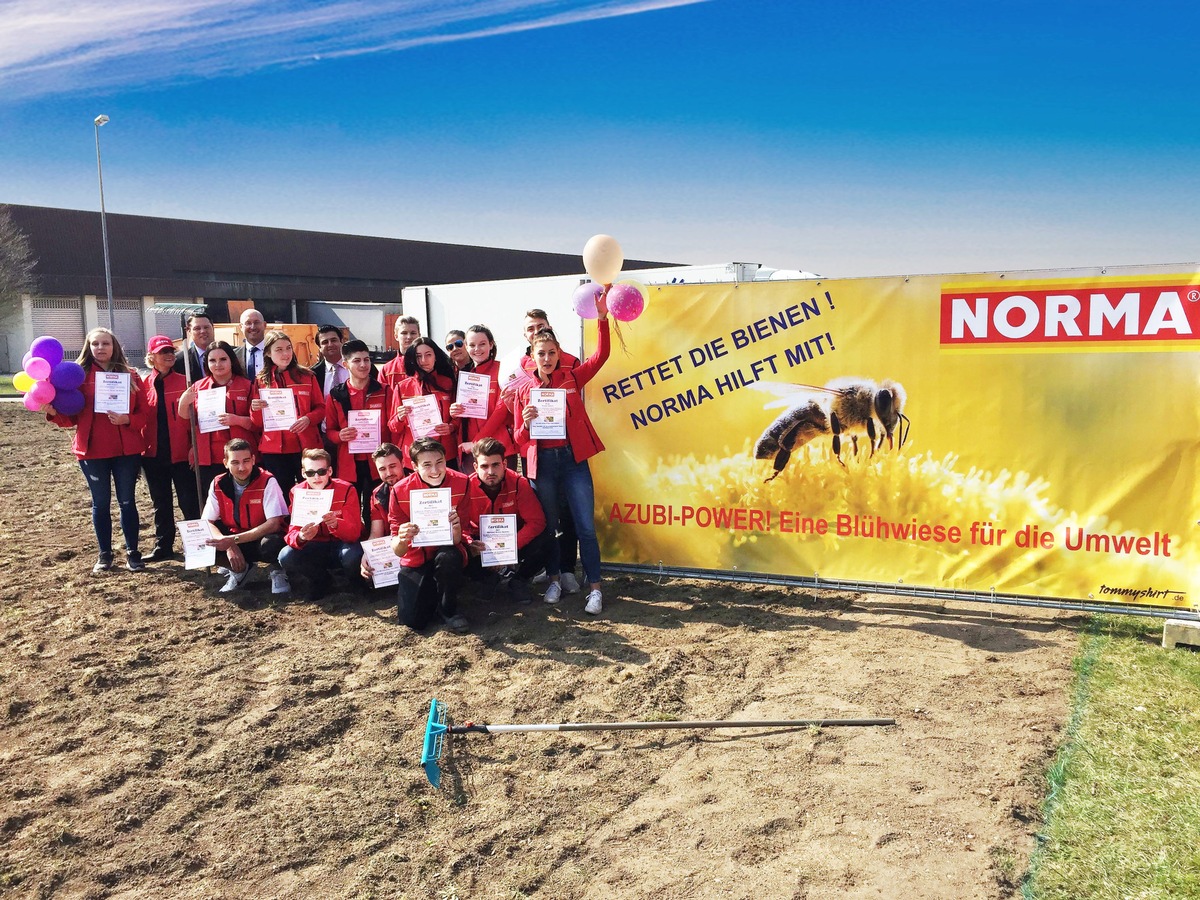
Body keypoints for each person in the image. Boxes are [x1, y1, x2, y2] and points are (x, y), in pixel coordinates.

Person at [511, 293, 611, 615]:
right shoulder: (523, 389)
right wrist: (526, 424)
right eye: (542, 353)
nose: (548, 358)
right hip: (544, 467)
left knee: (585, 527)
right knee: (550, 527)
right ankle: (553, 580)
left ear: (558, 353)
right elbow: (517, 438)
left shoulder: (571, 376)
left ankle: (594, 588)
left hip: (573, 461)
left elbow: (602, 355)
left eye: (552, 352)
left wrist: (602, 319)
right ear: (533, 355)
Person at [44, 327, 148, 572]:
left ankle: (133, 553)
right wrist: (54, 413)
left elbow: (145, 415)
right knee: (100, 503)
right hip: (92, 451)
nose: (100, 348)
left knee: (127, 501)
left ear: (115, 347)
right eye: (95, 344)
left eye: (105, 343)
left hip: (126, 451)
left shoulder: (131, 375)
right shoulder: (76, 377)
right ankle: (105, 554)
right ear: (88, 348)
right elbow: (71, 418)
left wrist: (127, 420)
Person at [500, 308, 581, 594]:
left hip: (566, 449)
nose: (536, 331)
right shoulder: (516, 368)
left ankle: (568, 567)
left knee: (567, 509)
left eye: (541, 326)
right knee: (545, 513)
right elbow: (512, 413)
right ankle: (551, 568)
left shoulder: (568, 360)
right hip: (534, 451)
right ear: (525, 335)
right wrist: (510, 404)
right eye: (531, 328)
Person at [388, 438, 472, 633]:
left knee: (449, 557)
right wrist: (402, 538)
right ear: (414, 466)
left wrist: (456, 528)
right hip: (415, 556)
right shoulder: (399, 491)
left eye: (439, 462)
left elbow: (459, 537)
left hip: (447, 549)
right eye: (427, 465)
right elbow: (398, 550)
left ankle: (448, 609)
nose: (435, 470)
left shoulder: (462, 482)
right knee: (412, 622)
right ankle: (430, 593)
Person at [463, 438, 549, 604]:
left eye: (495, 465)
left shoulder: (519, 483)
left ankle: (518, 579)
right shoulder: (465, 486)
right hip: (481, 545)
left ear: (504, 463)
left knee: (547, 538)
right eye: (484, 466)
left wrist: (509, 550)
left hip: (513, 541)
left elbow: (536, 522)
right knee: (457, 550)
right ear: (475, 467)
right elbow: (460, 525)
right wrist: (470, 543)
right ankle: (488, 578)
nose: (490, 471)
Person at [139, 335, 200, 561]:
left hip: (182, 453)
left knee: (189, 502)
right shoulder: (142, 385)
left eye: (170, 351)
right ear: (151, 357)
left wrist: (194, 446)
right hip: (152, 454)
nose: (168, 355)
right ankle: (163, 547)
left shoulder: (186, 383)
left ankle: (195, 547)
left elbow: (196, 419)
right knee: (160, 503)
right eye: (163, 352)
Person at [202, 438, 290, 595]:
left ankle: (278, 571)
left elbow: (274, 524)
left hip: (262, 536)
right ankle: (240, 569)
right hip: (234, 535)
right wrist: (228, 544)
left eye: (246, 461)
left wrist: (233, 540)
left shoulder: (267, 480)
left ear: (254, 460)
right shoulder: (218, 483)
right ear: (225, 463)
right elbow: (207, 521)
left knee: (272, 543)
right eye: (235, 462)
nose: (242, 467)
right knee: (203, 541)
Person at [177, 341, 256, 505]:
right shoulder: (198, 387)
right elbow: (187, 418)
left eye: (223, 359)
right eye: (212, 360)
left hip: (240, 457)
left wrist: (236, 420)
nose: (218, 364)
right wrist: (183, 402)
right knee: (214, 502)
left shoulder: (247, 386)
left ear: (231, 361)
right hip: (209, 457)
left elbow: (257, 423)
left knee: (243, 500)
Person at [278, 448, 363, 601]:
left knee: (352, 555)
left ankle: (356, 581)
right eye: (310, 473)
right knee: (286, 556)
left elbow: (355, 532)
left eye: (321, 471)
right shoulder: (297, 492)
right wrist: (301, 537)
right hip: (315, 544)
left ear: (330, 471)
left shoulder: (347, 489)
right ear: (303, 473)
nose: (316, 477)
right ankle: (320, 580)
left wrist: (337, 524)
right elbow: (292, 532)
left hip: (341, 544)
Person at [249, 329, 325, 494]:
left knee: (311, 492)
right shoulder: (261, 381)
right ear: (268, 353)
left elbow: (321, 408)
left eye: (288, 348)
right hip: (275, 450)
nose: (285, 353)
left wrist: (308, 419)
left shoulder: (307, 376)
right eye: (279, 349)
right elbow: (257, 423)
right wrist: (255, 409)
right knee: (282, 495)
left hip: (306, 447)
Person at [326, 340, 390, 531]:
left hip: (377, 463)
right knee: (351, 510)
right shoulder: (336, 395)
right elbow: (329, 431)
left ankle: (377, 547)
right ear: (345, 364)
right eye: (357, 361)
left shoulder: (384, 391)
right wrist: (340, 436)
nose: (363, 365)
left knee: (375, 509)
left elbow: (393, 426)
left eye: (367, 360)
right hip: (350, 462)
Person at [450, 324, 516, 470]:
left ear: (491, 345)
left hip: (498, 448)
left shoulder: (503, 369)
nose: (477, 349)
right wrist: (455, 412)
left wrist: (476, 442)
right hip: (469, 450)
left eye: (482, 344)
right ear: (466, 346)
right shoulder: (466, 375)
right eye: (472, 345)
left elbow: (501, 412)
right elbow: (465, 415)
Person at [387, 337, 459, 468]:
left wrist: (450, 427)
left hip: (445, 453)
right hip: (414, 455)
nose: (423, 361)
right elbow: (393, 427)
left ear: (436, 356)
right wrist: (400, 417)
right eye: (418, 356)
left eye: (428, 355)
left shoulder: (448, 383)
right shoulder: (402, 387)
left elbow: (459, 418)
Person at [359, 442, 407, 584]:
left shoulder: (417, 484)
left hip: (419, 544)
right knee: (364, 568)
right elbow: (376, 533)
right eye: (382, 469)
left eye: (392, 466)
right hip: (394, 546)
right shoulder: (377, 494)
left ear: (403, 463)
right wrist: (366, 554)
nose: (388, 473)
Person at [173, 311, 216, 384]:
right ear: (189, 331)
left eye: (206, 327)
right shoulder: (179, 361)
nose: (203, 331)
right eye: (197, 328)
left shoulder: (233, 353)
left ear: (213, 328)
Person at [379, 315, 422, 388]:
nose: (409, 337)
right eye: (404, 333)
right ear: (396, 336)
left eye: (413, 333)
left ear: (419, 335)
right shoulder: (386, 371)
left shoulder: (427, 365)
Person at [310, 324, 349, 400]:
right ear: (319, 348)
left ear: (342, 341)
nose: (330, 344)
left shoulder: (359, 367)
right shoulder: (313, 374)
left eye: (333, 340)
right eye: (325, 342)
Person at [235, 309, 267, 383]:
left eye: (256, 322)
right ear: (241, 327)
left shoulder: (277, 352)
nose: (253, 327)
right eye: (248, 323)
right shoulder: (234, 355)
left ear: (264, 325)